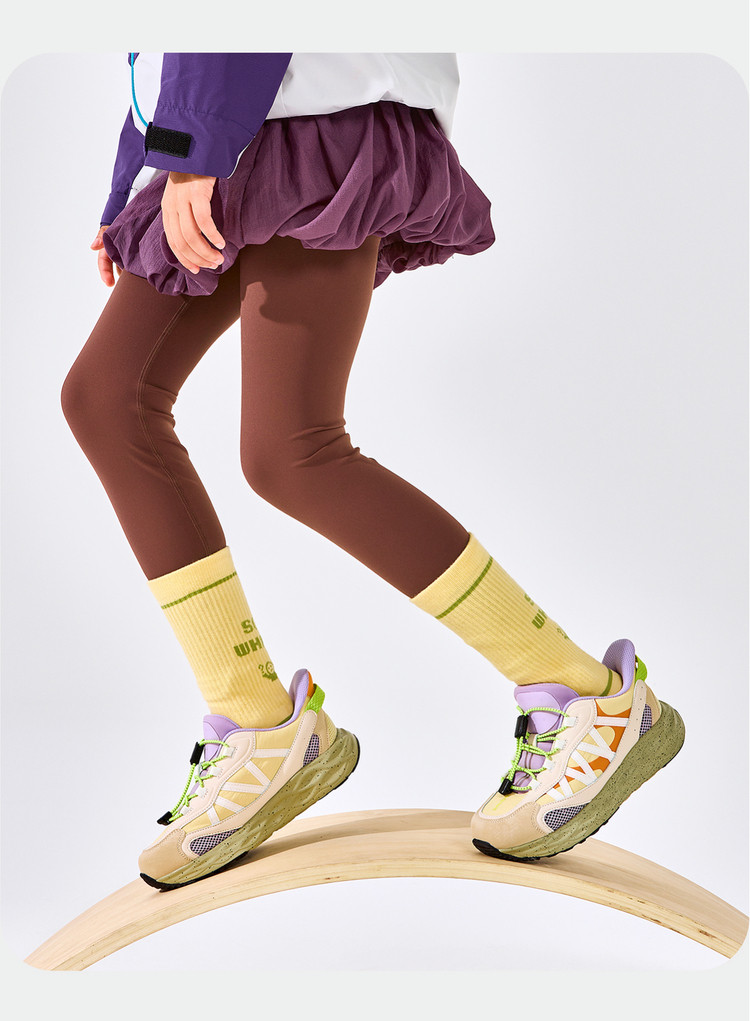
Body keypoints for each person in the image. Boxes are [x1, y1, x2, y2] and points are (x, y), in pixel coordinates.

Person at [61, 52, 684, 890]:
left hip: (303, 115)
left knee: (294, 450)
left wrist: (190, 152)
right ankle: (259, 721)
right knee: (108, 400)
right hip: (219, 126)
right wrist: (138, 175)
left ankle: (590, 695)